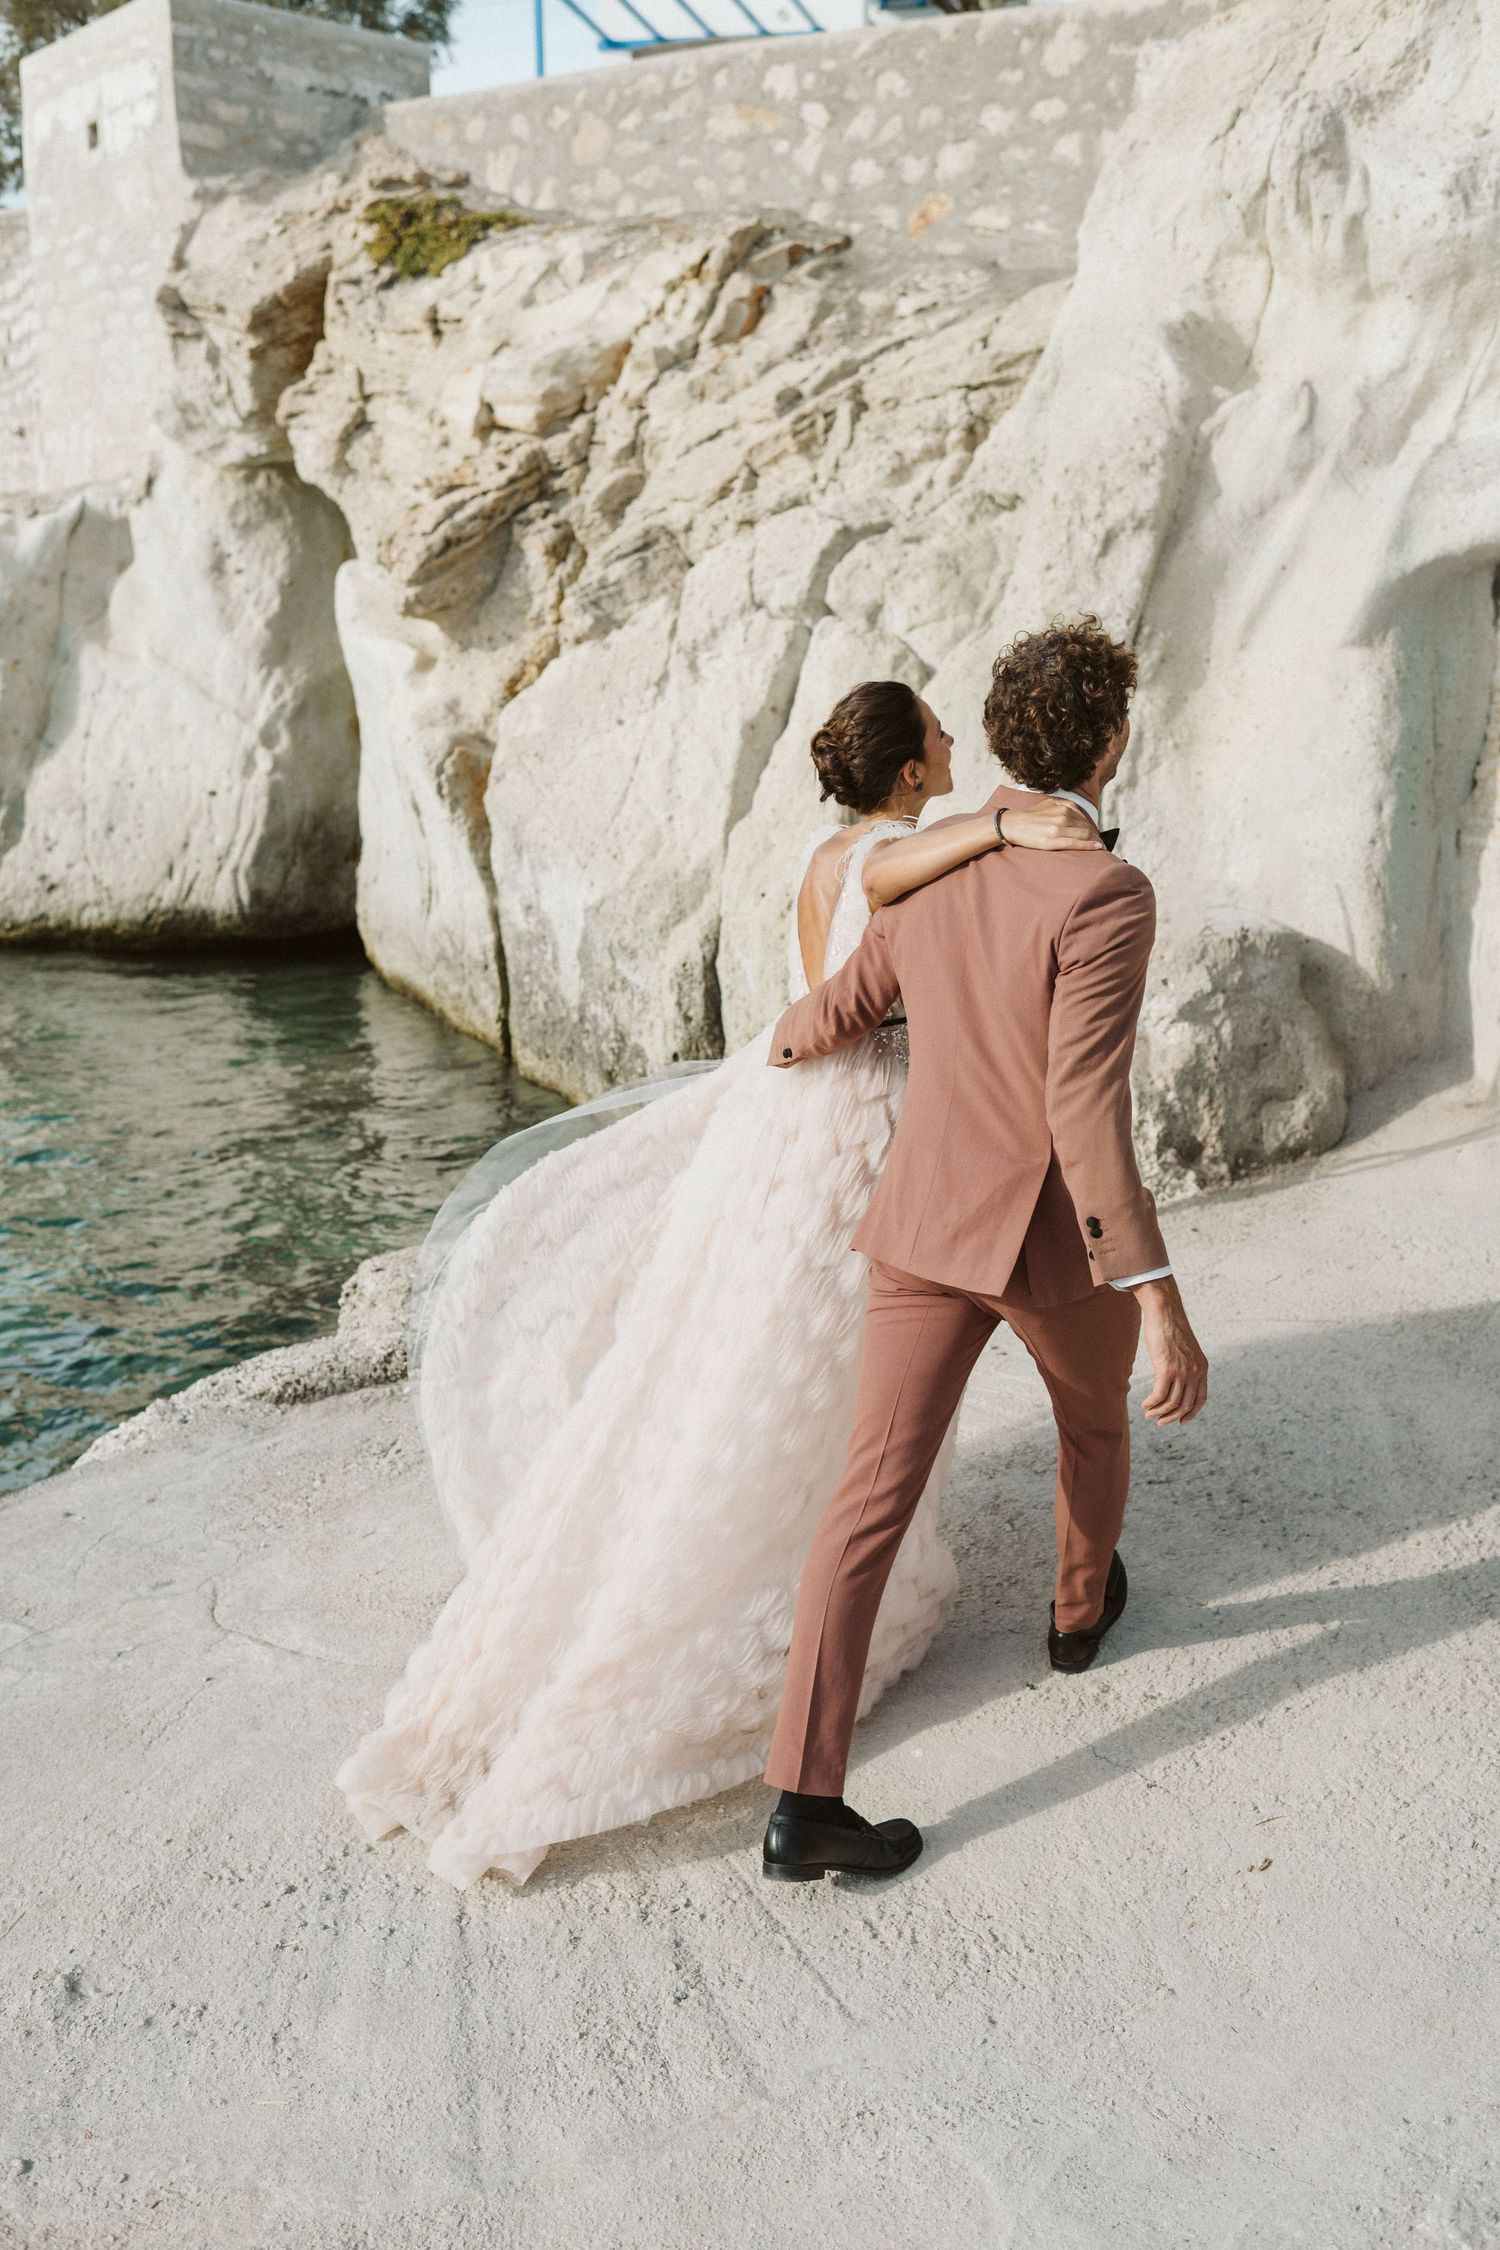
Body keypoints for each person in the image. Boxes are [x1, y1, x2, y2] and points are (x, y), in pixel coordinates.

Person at [334, 680, 1099, 1889]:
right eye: (940, 742)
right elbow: (905, 927)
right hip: (870, 1128)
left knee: (767, 1371)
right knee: (844, 1400)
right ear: (908, 777)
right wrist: (1009, 825)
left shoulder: (824, 849)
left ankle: (828, 1593)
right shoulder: (897, 854)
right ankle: (780, 1623)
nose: (955, 748)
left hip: (796, 1118)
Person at [760, 617, 1210, 1886]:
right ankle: (1076, 1615)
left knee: (867, 1502)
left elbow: (818, 1023)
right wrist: (1161, 1295)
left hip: (918, 1224)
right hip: (1046, 1243)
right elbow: (1083, 1111)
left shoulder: (922, 871)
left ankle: (804, 1801)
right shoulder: (1107, 891)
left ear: (1006, 741)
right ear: (1113, 741)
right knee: (1097, 1423)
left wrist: (782, 1074)